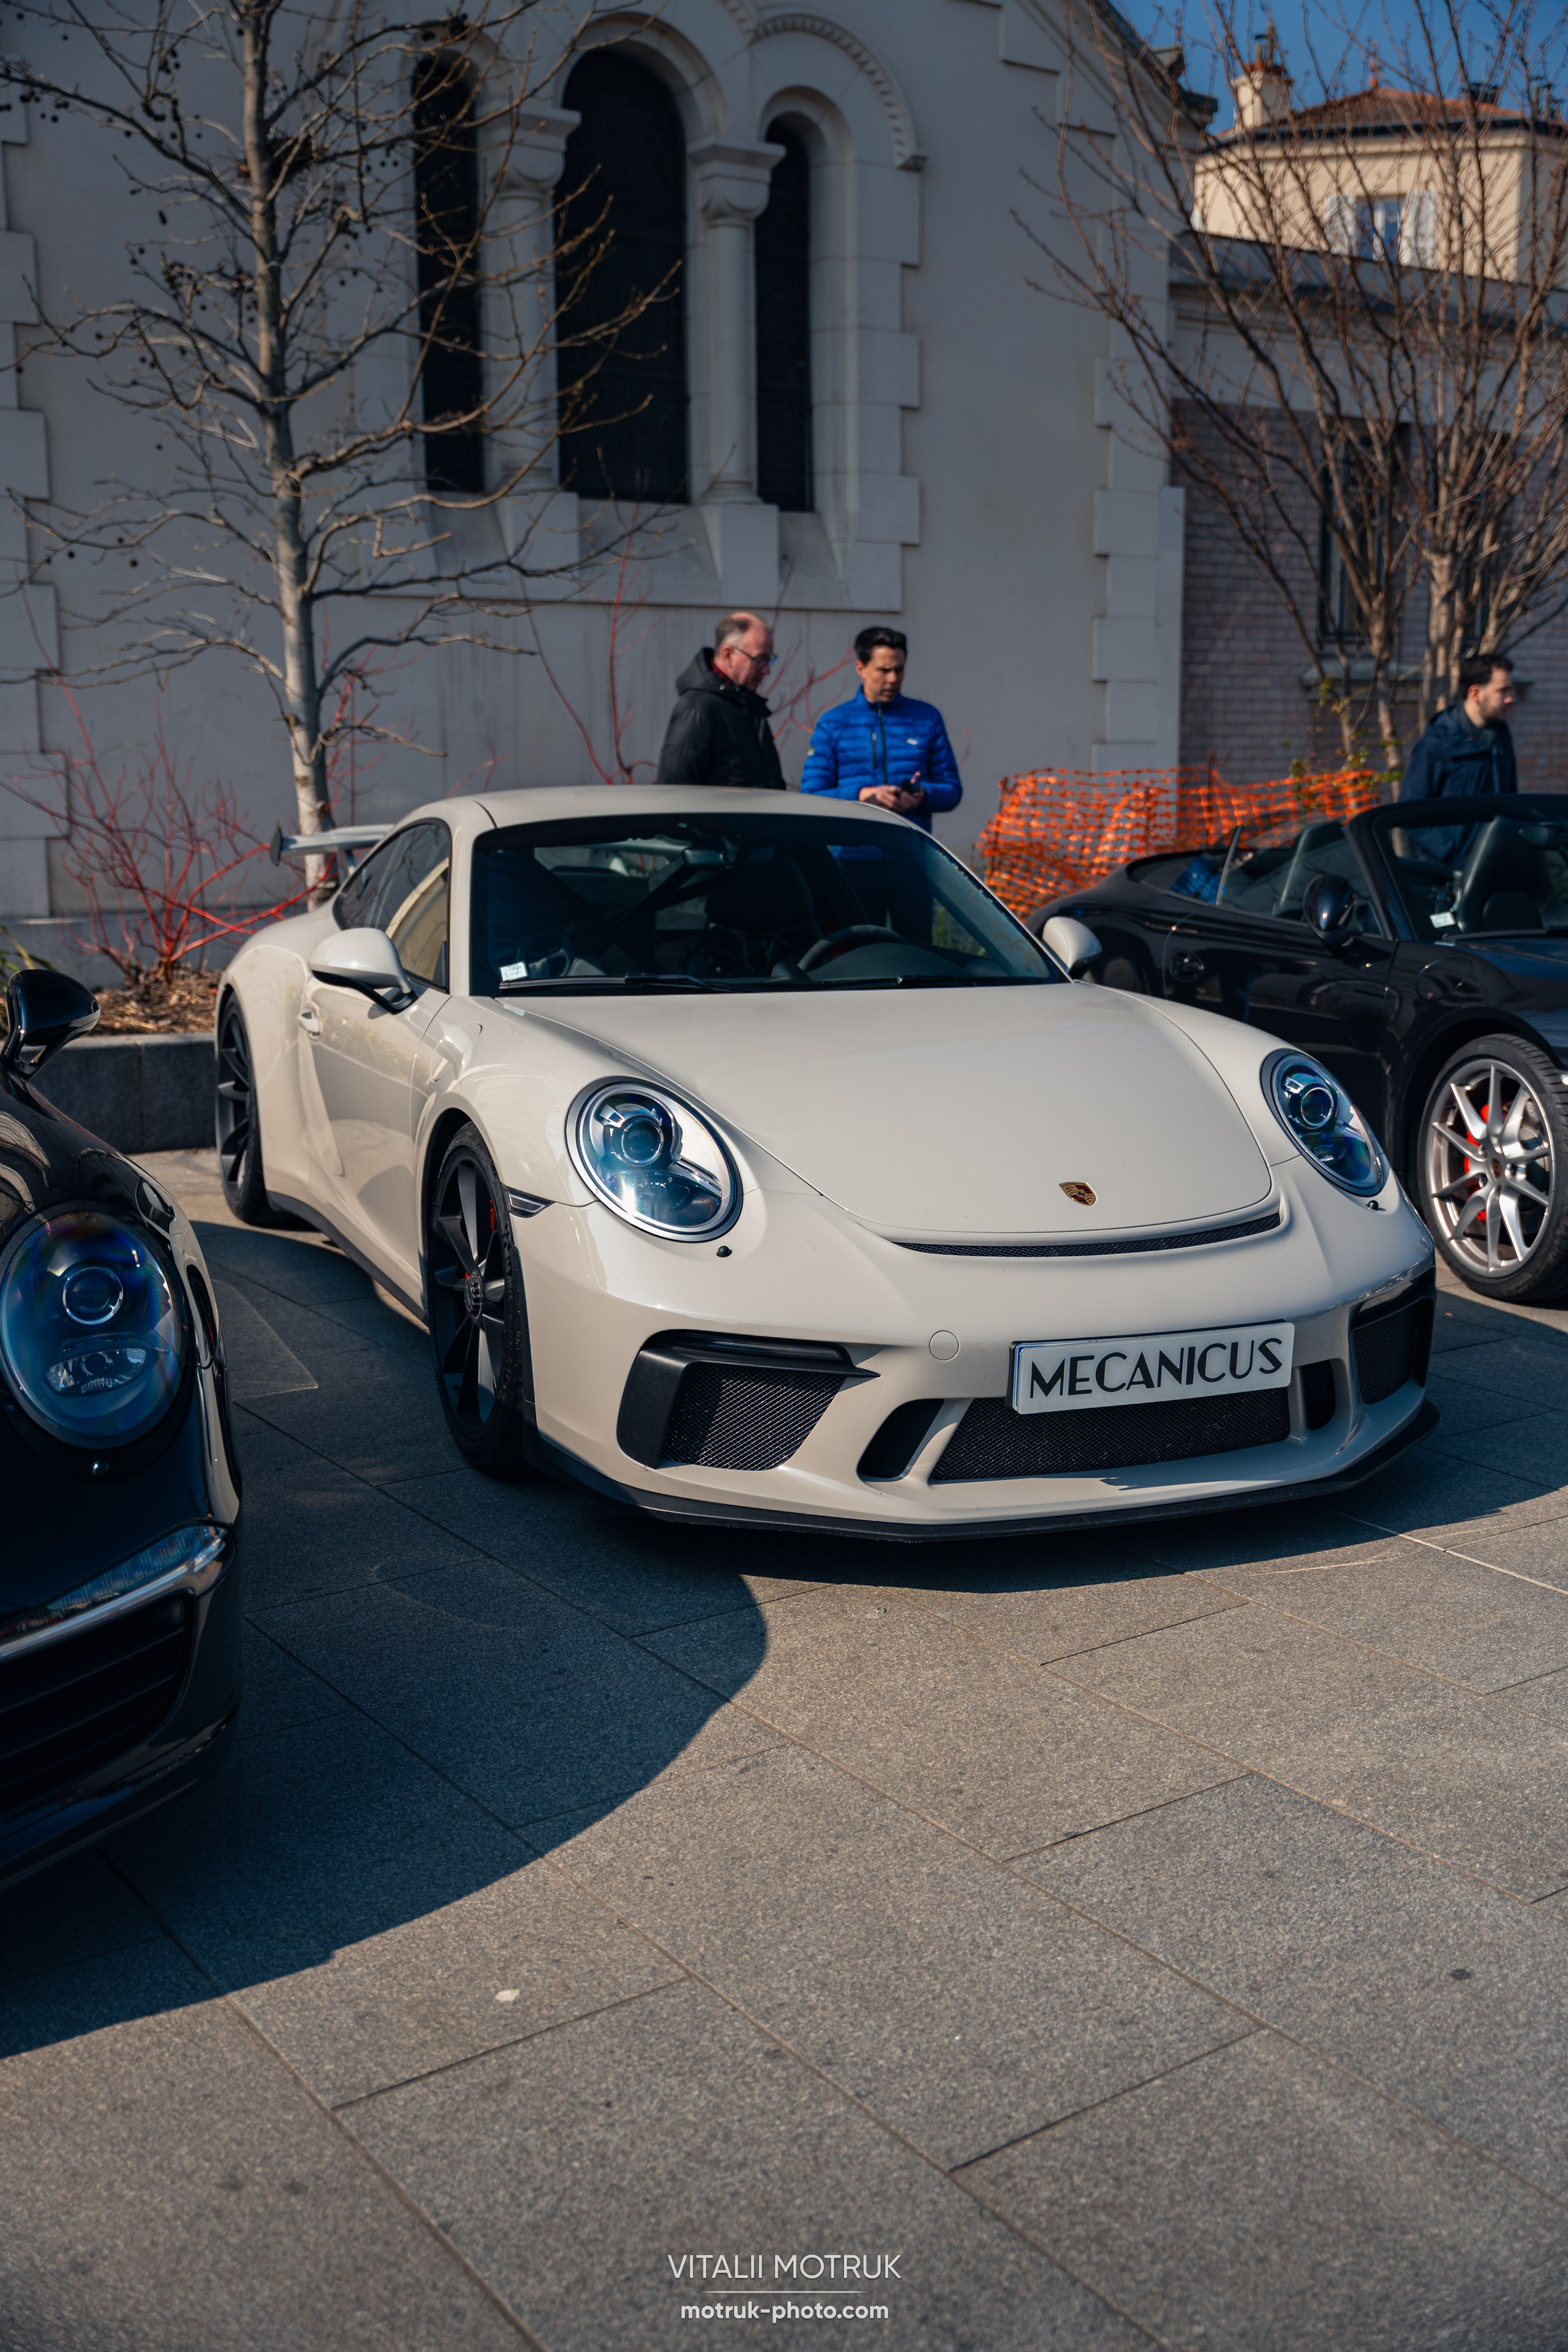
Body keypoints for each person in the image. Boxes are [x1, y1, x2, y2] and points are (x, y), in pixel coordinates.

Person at [799, 627, 963, 832]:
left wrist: (922, 794)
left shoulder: (927, 718)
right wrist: (861, 795)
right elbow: (811, 795)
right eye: (884, 670)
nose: (893, 679)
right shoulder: (833, 723)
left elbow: (952, 790)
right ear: (861, 668)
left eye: (899, 669)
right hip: (851, 852)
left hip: (911, 850)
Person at [655, 612, 785, 791]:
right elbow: (674, 791)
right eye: (759, 660)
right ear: (728, 655)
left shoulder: (748, 706)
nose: (766, 670)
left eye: (769, 660)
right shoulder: (697, 708)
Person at [1399, 655, 1518, 800]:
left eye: (1509, 690)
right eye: (1502, 691)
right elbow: (1411, 810)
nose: (1510, 699)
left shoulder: (1501, 739)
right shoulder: (1436, 745)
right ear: (1476, 693)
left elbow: (1511, 802)